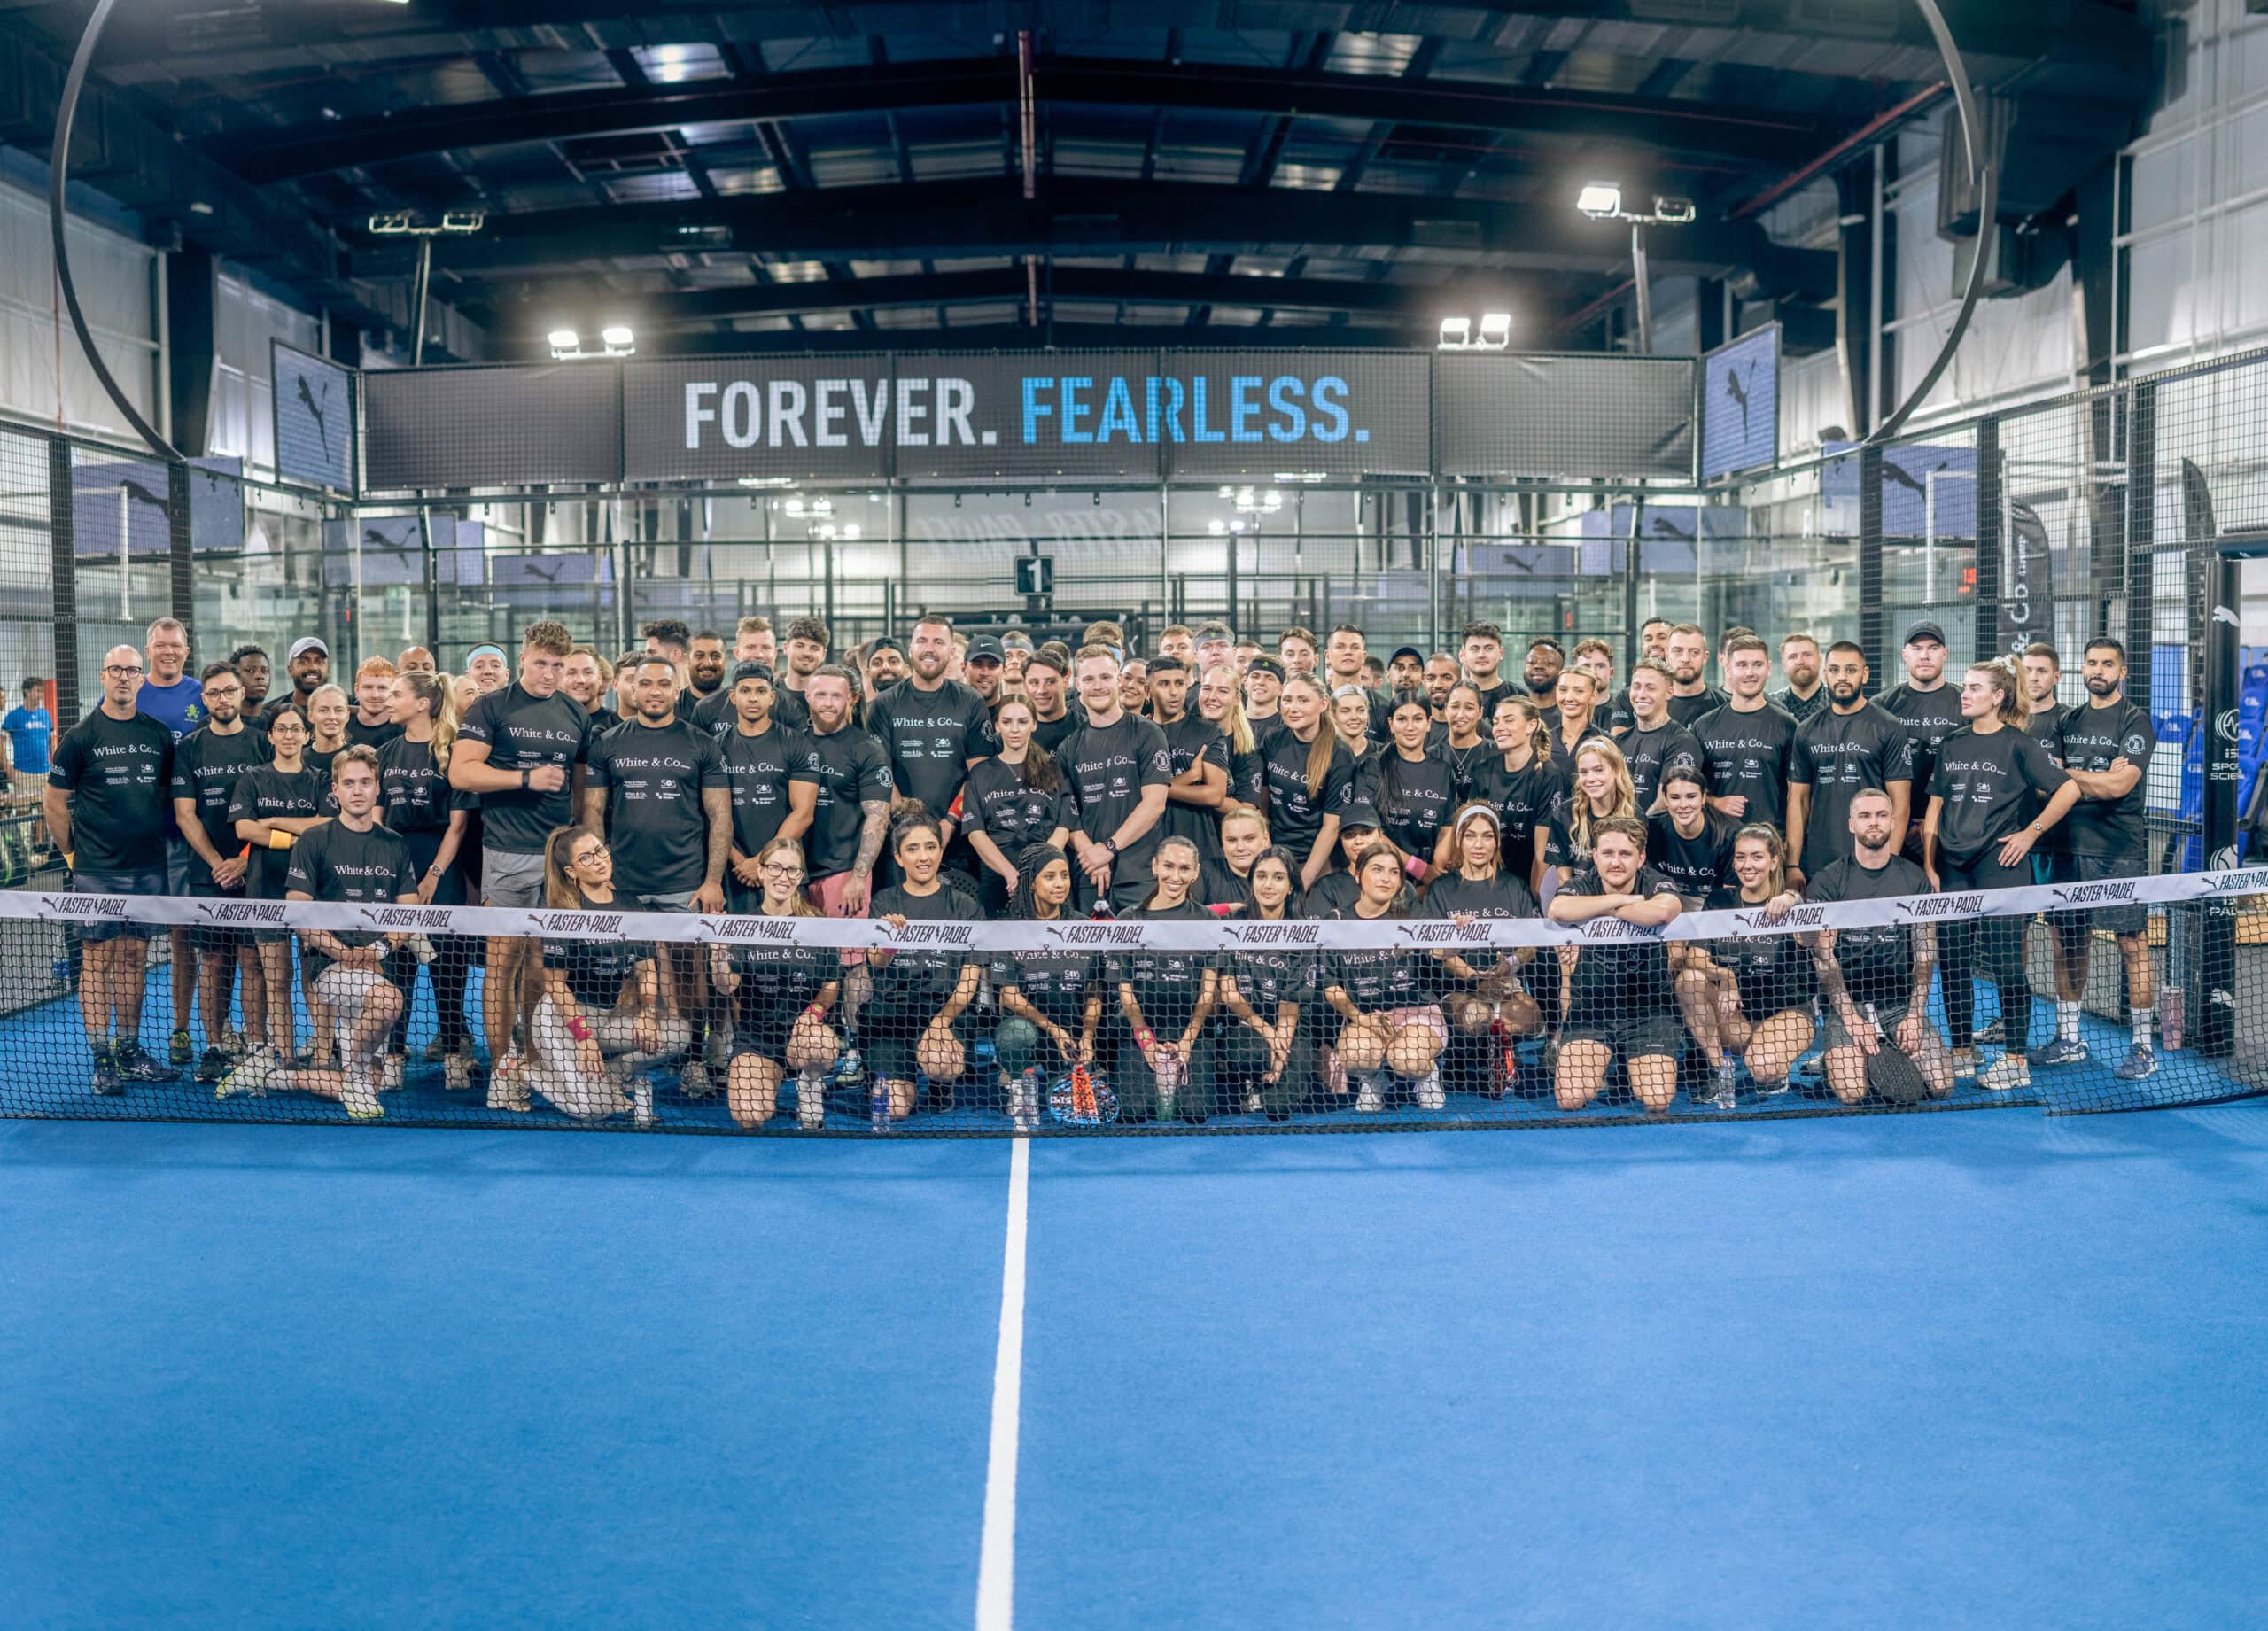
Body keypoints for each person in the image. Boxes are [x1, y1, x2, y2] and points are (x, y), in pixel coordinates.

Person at [220, 746, 418, 1120]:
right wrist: (344, 953)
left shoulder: (395, 843)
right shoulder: (314, 840)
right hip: (328, 967)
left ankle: (274, 1076)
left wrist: (380, 948)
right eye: (349, 783)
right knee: (390, 1001)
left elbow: (409, 910)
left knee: (374, 1083)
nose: (357, 791)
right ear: (336, 791)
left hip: (377, 964)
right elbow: (300, 914)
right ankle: (355, 1076)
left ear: (377, 788)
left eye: (365, 783)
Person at [1921, 659, 2080, 1091]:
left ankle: (2015, 1060)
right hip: (1953, 869)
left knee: (2008, 966)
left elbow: (2069, 788)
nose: (1965, 694)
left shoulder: (2019, 745)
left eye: (1974, 688)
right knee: (1953, 963)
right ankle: (1962, 1051)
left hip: (2002, 866)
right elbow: (1936, 807)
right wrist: (1931, 865)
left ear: (1998, 697)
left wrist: (2031, 833)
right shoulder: (1951, 744)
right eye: (1964, 687)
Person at [451, 621, 592, 1099]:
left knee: (541, 966)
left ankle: (531, 1061)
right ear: (523, 659)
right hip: (506, 853)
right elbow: (461, 772)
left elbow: (580, 789)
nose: (549, 673)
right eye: (541, 663)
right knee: (502, 963)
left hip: (557, 862)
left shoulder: (575, 713)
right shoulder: (491, 706)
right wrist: (525, 778)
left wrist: (582, 843)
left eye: (558, 665)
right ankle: (501, 1071)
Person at [581, 654, 731, 1091]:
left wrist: (712, 880)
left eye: (663, 684)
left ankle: (693, 1059)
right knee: (628, 976)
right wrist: (600, 876)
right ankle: (625, 1065)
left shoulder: (701, 743)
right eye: (645, 683)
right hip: (624, 882)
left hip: (684, 882)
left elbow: (719, 815)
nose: (653, 692)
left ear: (675, 690)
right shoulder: (608, 742)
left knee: (689, 974)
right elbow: (593, 810)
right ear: (631, 688)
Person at [45, 644, 177, 1092]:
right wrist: (71, 856)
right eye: (116, 669)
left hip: (148, 868)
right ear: (103, 676)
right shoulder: (80, 736)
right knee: (97, 961)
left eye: (132, 671)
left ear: (142, 678)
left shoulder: (158, 735)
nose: (124, 677)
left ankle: (130, 1049)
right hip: (97, 871)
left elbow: (165, 796)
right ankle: (102, 1057)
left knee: (135, 959)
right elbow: (54, 801)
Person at [494, 825, 688, 1123]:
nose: (599, 860)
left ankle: (612, 1077)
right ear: (571, 871)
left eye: (600, 850)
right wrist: (583, 1037)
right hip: (560, 1021)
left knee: (678, 1034)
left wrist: (648, 1012)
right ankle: (518, 1070)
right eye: (586, 858)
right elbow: (555, 985)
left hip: (607, 1017)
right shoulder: (563, 913)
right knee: (592, 1111)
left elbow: (646, 968)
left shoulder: (631, 905)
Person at [2037, 638, 2162, 1078]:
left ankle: (2143, 1047)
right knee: (2068, 941)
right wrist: (2094, 778)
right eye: (2092, 662)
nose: (2098, 670)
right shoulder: (2067, 720)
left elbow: (2120, 785)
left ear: (2122, 672)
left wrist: (2067, 776)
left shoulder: (2135, 720)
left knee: (2132, 944)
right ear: (2082, 668)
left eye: (2108, 664)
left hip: (2118, 850)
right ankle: (2069, 1038)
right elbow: (2046, 783)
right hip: (2068, 845)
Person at [1807, 788, 1952, 1105]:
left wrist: (1914, 1016)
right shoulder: (1829, 880)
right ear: (1851, 824)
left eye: (1881, 815)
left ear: (1892, 822)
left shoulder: (1914, 879)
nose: (1873, 822)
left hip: (1897, 1004)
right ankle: (1843, 1062)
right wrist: (1850, 1019)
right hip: (1848, 1005)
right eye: (1865, 816)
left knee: (1942, 1085)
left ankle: (1882, 1049)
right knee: (1851, 1093)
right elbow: (1824, 959)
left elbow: (1925, 955)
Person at [168, 661, 269, 1083]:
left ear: (241, 693)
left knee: (253, 959)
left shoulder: (263, 742)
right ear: (204, 699)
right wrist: (217, 865)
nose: (222, 699)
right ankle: (213, 1047)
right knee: (213, 959)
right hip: (207, 875)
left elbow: (274, 809)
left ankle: (256, 1048)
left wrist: (246, 860)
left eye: (229, 691)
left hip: (258, 870)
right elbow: (185, 815)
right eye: (213, 693)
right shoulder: (189, 748)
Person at [376, 669, 476, 1091]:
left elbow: (458, 826)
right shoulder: (385, 752)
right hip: (395, 867)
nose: (387, 699)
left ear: (422, 704)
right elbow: (378, 823)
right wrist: (396, 878)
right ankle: (393, 1058)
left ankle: (455, 1055)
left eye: (396, 693)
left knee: (447, 969)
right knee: (397, 967)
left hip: (442, 869)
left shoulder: (453, 752)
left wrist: (433, 876)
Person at [1548, 816, 1684, 1114]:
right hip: (1592, 1010)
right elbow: (1558, 910)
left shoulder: (1656, 882)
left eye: (1625, 854)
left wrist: (1598, 909)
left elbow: (1664, 911)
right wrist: (1620, 903)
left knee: (1657, 1100)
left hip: (1649, 1011)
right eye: (1608, 853)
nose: (1616, 862)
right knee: (1570, 1098)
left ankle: (1624, 1066)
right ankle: (1612, 1062)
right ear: (1595, 855)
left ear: (1641, 858)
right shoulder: (1581, 884)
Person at [711, 836, 841, 1130]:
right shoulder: (743, 927)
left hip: (804, 1034)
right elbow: (726, 986)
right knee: (749, 1116)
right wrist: (718, 956)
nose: (784, 877)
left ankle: (809, 1085)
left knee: (821, 1047)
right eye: (776, 868)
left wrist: (814, 1013)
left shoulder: (819, 926)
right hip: (757, 1038)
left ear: (800, 876)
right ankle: (772, 1077)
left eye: (792, 870)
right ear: (761, 871)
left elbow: (831, 985)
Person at [227, 706, 329, 1071]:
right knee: (278, 979)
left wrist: (273, 822)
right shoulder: (252, 779)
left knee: (315, 978)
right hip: (265, 890)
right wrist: (294, 839)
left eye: (296, 729)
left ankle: (322, 1054)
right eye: (281, 729)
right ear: (270, 736)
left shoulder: (320, 779)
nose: (289, 735)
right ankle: (284, 1057)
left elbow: (326, 823)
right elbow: (245, 829)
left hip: (312, 891)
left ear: (307, 735)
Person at [864, 815, 983, 1122]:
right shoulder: (883, 902)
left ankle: (941, 1087)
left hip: (942, 1012)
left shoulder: (966, 907)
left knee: (941, 1063)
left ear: (941, 852)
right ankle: (894, 1076)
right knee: (892, 1109)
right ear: (898, 857)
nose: (923, 857)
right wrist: (889, 943)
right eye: (913, 849)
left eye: (931, 847)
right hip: (891, 1016)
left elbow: (968, 984)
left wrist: (941, 1023)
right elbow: (875, 962)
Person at [1683, 825, 1811, 1107]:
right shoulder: (1718, 902)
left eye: (1757, 857)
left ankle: (1774, 1064)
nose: (1747, 865)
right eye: (1740, 857)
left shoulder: (1791, 906)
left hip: (1787, 1011)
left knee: (1764, 1068)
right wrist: (1725, 976)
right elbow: (1694, 958)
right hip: (1737, 1016)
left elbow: (1812, 938)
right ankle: (1721, 1071)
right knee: (1688, 980)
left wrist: (1794, 898)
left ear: (1774, 861)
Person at [1321, 842, 1447, 1112]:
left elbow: (1439, 952)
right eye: (1377, 869)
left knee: (1410, 1059)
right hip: (1367, 1016)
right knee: (1355, 1055)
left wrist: (1456, 937)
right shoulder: (1337, 921)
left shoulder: (1412, 914)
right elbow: (1331, 986)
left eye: (1394, 872)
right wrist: (1359, 1017)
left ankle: (1427, 1076)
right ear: (1358, 875)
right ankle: (1374, 1080)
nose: (1386, 878)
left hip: (1417, 1012)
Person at [1426, 804, 1542, 1083]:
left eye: (1487, 837)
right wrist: (1477, 979)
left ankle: (1498, 1051)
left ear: (1497, 841)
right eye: (1471, 836)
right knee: (1476, 1015)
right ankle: (1462, 1054)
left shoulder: (1515, 886)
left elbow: (1530, 945)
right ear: (1459, 840)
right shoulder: (1441, 889)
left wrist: (1509, 965)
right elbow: (1438, 952)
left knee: (1530, 1017)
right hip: (1458, 989)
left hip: (1505, 984)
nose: (1479, 845)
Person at [991, 843, 1102, 1130]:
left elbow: (1094, 993)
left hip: (1071, 1038)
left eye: (1064, 875)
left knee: (1069, 1110)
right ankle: (1017, 1080)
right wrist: (1053, 1029)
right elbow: (1009, 996)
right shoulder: (1009, 929)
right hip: (1031, 1030)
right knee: (1014, 1035)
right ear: (1031, 883)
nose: (1060, 884)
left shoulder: (1083, 928)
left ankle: (1060, 1075)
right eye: (1050, 877)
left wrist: (1087, 1036)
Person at [1108, 836, 1219, 1122]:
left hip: (1189, 1029)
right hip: (1141, 1028)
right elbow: (1125, 991)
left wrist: (1187, 1041)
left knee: (1196, 1113)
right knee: (1134, 1113)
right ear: (1155, 866)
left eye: (1184, 868)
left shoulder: (1208, 921)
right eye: (1168, 866)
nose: (1175, 876)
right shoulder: (1128, 919)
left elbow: (1207, 994)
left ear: (1195, 873)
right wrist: (1145, 1039)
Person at [867, 616, 996, 860]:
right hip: (901, 839)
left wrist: (950, 821)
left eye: (938, 642)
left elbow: (980, 773)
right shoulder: (884, 704)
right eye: (922, 641)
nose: (929, 649)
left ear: (951, 651)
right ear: (911, 648)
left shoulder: (971, 701)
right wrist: (909, 827)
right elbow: (879, 772)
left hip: (958, 839)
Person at [138, 617, 207, 1071]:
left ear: (186, 651)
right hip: (140, 841)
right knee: (133, 944)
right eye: (160, 645)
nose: (168, 651)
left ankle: (180, 1030)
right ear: (149, 650)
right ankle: (125, 1040)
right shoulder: (130, 691)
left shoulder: (202, 695)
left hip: (187, 839)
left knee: (184, 937)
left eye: (175, 645)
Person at [1057, 644, 1173, 912]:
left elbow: (1155, 803)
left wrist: (1108, 848)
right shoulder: (1068, 747)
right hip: (1089, 874)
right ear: (1078, 684)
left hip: (1139, 874)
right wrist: (1092, 855)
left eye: (1105, 677)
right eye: (1089, 679)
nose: (1097, 686)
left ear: (1119, 680)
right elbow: (1067, 816)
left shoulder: (1148, 733)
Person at [1786, 641, 1912, 885]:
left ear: (1865, 674)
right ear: (1825, 674)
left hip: (1873, 861)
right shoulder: (1806, 730)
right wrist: (1792, 864)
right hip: (1820, 863)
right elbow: (1798, 801)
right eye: (1834, 670)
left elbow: (1900, 804)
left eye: (1850, 670)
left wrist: (1890, 864)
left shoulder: (1889, 727)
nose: (1842, 677)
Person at [1216, 846, 1313, 1120]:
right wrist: (1267, 1033)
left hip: (1290, 1026)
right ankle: (1253, 1078)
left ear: (1291, 887)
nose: (1268, 884)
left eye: (1278, 877)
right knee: (1250, 1053)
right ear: (1252, 882)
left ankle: (1282, 1079)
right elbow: (1229, 993)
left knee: (1279, 1110)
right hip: (1245, 1025)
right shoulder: (1232, 924)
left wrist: (1280, 1049)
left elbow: (1290, 1003)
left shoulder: (1302, 932)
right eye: (1261, 876)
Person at [713, 661, 819, 910]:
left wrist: (764, 862)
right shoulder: (715, 748)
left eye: (761, 691)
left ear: (772, 697)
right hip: (734, 872)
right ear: (733, 697)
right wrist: (740, 862)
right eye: (745, 691)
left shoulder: (797, 744)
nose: (753, 698)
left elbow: (803, 814)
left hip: (785, 871)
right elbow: (711, 815)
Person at [963, 697, 1076, 916]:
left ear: (1034, 724)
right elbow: (976, 834)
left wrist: (1038, 870)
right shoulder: (980, 774)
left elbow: (1064, 826)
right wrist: (1011, 874)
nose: (1015, 730)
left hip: (1046, 878)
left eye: (1023, 722)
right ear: (997, 726)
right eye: (1007, 722)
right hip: (998, 878)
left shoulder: (1053, 769)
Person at [801, 664, 894, 916]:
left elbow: (878, 817)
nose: (828, 703)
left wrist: (858, 877)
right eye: (821, 695)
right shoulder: (796, 743)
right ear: (808, 696)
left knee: (846, 945)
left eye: (836, 696)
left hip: (843, 875)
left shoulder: (867, 749)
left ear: (851, 699)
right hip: (796, 875)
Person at [1877, 620, 1968, 865]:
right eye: (1917, 649)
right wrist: (1901, 823)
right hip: (1893, 829)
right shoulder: (1882, 706)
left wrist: (1933, 822)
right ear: (1904, 654)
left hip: (1952, 828)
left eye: (1933, 648)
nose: (1925, 656)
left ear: (1945, 654)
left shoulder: (1966, 703)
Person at [1691, 632, 1799, 832]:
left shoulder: (1788, 726)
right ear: (1728, 669)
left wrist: (1791, 847)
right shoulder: (1703, 726)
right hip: (1717, 840)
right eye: (1741, 665)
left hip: (1770, 840)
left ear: (1769, 668)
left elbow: (1797, 796)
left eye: (1757, 665)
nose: (1750, 672)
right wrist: (1715, 802)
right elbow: (1688, 788)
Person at [1260, 674, 1355, 890]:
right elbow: (1263, 805)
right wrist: (1269, 854)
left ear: (1323, 704)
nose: (1293, 708)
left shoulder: (1340, 755)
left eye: (1303, 700)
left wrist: (1303, 882)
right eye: (1287, 699)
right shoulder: (1273, 739)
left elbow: (1331, 827)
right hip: (1277, 853)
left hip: (1317, 861)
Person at [1471, 695, 1562, 895]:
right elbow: (1471, 839)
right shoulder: (1483, 770)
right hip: (1487, 877)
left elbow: (1541, 854)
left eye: (1509, 720)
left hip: (1525, 881)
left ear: (1531, 725)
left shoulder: (1547, 774)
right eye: (1496, 722)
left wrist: (1534, 900)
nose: (1499, 728)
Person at [1360, 695, 1456, 880]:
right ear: (1391, 724)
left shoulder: (1443, 771)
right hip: (1382, 875)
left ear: (1429, 723)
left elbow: (1447, 829)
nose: (1410, 727)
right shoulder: (1372, 767)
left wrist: (1435, 873)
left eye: (1418, 719)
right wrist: (1419, 868)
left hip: (1429, 879)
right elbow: (1368, 831)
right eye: (1402, 719)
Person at [1151, 656, 1229, 858]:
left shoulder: (1208, 731)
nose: (1173, 692)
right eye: (1164, 684)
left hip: (1201, 848)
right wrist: (1190, 776)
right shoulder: (1138, 733)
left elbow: (1215, 795)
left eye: (1179, 683)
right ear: (1147, 690)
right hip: (1149, 851)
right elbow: (1133, 794)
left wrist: (1156, 788)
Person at [1543, 736, 1639, 883]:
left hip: (1620, 892)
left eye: (1599, 770)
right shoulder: (1563, 814)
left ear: (1615, 770)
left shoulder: (1635, 815)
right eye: (1584, 772)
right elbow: (1563, 875)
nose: (1591, 778)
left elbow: (1636, 874)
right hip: (1577, 892)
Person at [1614, 658, 1703, 812]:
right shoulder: (1620, 741)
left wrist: (1634, 826)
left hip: (1653, 827)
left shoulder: (1682, 743)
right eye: (1636, 687)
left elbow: (1664, 802)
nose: (1641, 694)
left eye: (1651, 688)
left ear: (1669, 693)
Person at [1647, 765, 1739, 909]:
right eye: (1675, 797)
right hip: (1665, 902)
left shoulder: (1730, 834)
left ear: (1703, 798)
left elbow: (1730, 895)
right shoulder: (1652, 828)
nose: (1683, 805)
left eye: (1691, 797)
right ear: (1665, 800)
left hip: (1713, 906)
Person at [1197, 663, 1264, 818]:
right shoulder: (1184, 733)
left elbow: (1247, 809)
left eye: (1223, 691)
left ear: (1237, 699)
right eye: (1207, 689)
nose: (1212, 697)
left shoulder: (1247, 749)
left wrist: (1199, 794)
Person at [1305, 804, 1386, 917]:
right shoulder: (1325, 888)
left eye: (1366, 832)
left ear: (1381, 836)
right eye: (1350, 835)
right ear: (1341, 840)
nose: (1358, 841)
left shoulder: (1398, 885)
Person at [1200, 804, 1270, 911]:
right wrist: (1226, 909)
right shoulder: (1205, 872)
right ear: (1223, 843)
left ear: (1265, 840)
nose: (1240, 847)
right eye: (1232, 840)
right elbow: (1186, 914)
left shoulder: (1279, 875)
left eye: (1249, 839)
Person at [1434, 681, 1491, 804]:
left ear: (1480, 713)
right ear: (1446, 709)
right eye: (1455, 707)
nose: (1460, 715)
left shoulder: (1496, 753)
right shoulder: (1431, 756)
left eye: (1469, 708)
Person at [773, 615, 830, 733]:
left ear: (823, 654)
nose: (806, 653)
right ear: (785, 648)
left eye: (814, 648)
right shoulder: (769, 693)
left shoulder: (832, 697)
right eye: (799, 646)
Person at [1660, 623, 1723, 727]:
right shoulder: (1653, 707)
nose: (1685, 659)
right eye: (1678, 651)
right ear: (1667, 656)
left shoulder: (1725, 705)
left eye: (1694, 652)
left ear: (1705, 658)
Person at [259, 636, 330, 726]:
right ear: (290, 670)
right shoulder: (269, 713)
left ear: (328, 669)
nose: (313, 667)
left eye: (319, 662)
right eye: (303, 662)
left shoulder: (344, 710)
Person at [1021, 649, 1080, 754]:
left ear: (1065, 682)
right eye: (1034, 682)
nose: (1041, 690)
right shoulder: (1013, 734)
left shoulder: (1086, 727)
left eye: (1050, 682)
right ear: (1025, 686)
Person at [1545, 667, 1609, 765]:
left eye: (1579, 691)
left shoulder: (1607, 742)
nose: (1569, 698)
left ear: (1593, 696)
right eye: (1563, 690)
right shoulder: (1542, 741)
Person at [4, 676, 50, 795]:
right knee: (23, 807)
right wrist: (8, 768)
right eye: (38, 691)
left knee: (46, 806)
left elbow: (52, 743)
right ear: (27, 691)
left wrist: (55, 768)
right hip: (23, 774)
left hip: (45, 773)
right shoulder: (14, 716)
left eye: (42, 691)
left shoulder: (45, 715)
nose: (41, 695)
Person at [345, 656, 404, 749]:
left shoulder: (404, 731)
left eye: (382, 688)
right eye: (368, 687)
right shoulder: (340, 726)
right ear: (356, 689)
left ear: (393, 691)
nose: (375, 695)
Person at [1458, 621, 1512, 720]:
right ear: (1463, 655)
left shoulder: (1519, 696)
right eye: (1475, 649)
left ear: (1501, 653)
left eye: (1489, 648)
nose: (1481, 655)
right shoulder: (1452, 699)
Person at [563, 647, 620, 735]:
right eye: (572, 673)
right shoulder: (547, 720)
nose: (580, 680)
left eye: (588, 673)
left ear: (599, 677)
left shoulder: (617, 726)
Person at [1772, 633, 1827, 723]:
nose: (1800, 661)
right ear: (1784, 665)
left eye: (1807, 655)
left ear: (1820, 660)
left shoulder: (1838, 701)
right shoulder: (1772, 704)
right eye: (1792, 657)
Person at [305, 683, 351, 780]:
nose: (332, 717)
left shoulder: (357, 758)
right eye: (323, 710)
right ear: (310, 716)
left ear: (347, 716)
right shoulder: (298, 760)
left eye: (339, 710)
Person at [965, 634, 1008, 712]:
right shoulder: (948, 711)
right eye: (978, 664)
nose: (985, 673)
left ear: (1004, 671)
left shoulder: (1014, 714)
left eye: (993, 665)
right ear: (964, 668)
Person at [685, 630, 728, 703]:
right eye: (699, 656)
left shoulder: (738, 706)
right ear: (687, 661)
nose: (707, 663)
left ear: (726, 662)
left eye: (715, 656)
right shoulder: (674, 706)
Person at [229, 647, 271, 719]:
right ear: (233, 677)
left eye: (265, 671)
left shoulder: (277, 721)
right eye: (250, 670)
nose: (260, 676)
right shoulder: (215, 723)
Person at [1242, 654, 1285, 727]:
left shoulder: (1290, 728)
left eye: (1270, 679)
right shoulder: (1230, 724)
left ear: (1281, 690)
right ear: (1245, 684)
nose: (1260, 682)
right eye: (1255, 676)